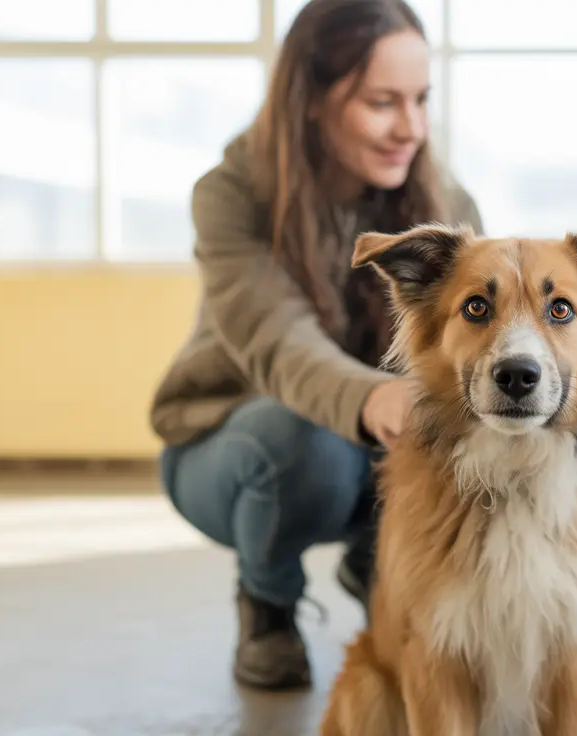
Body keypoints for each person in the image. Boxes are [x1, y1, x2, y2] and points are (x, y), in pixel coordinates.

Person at [148, 0, 482, 691]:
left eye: (421, 100)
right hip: (236, 450)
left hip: (373, 446)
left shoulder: (442, 199)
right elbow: (281, 343)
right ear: (309, 100)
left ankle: (378, 560)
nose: (410, 128)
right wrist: (378, 398)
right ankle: (267, 601)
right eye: (381, 102)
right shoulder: (231, 194)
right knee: (301, 439)